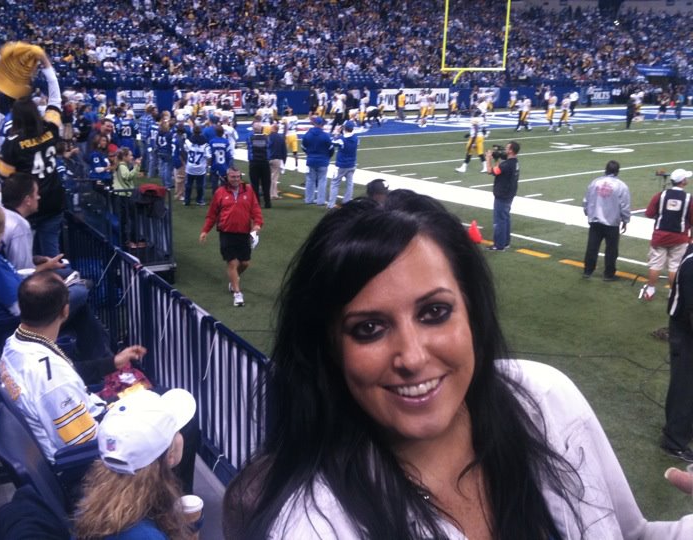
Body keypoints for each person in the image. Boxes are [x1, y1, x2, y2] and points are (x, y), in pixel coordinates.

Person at [223, 191, 693, 538]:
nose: (412, 358)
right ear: (328, 348)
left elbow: (630, 535)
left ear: (472, 312)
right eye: (368, 328)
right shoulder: (315, 526)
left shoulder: (547, 399)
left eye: (435, 312)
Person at [0, 271, 146, 462]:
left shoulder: (14, 343)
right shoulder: (54, 382)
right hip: (90, 458)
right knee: (175, 420)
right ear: (65, 310)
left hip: (85, 424)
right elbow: (85, 445)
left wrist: (113, 362)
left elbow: (65, 373)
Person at [74, 389, 196, 540]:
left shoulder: (90, 505)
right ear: (169, 456)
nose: (180, 435)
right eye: (177, 431)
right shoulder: (147, 536)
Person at [0, 54, 66, 258]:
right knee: (52, 254)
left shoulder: (13, 144)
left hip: (28, 204)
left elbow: (3, 176)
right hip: (54, 200)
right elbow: (55, 99)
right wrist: (47, 67)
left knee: (26, 258)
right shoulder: (50, 128)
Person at [199, 167, 263, 307]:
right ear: (227, 177)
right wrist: (205, 231)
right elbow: (212, 214)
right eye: (233, 177)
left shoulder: (248, 190)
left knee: (245, 263)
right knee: (232, 263)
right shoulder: (220, 192)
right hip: (226, 233)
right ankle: (237, 294)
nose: (235, 179)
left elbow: (256, 209)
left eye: (238, 176)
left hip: (244, 233)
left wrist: (258, 224)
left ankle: (234, 280)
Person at [639, 168, 693, 301]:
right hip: (679, 237)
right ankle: (672, 293)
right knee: (674, 266)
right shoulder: (689, 198)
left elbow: (649, 213)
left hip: (660, 236)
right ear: (683, 181)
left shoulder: (660, 195)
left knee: (655, 264)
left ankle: (650, 290)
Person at [662, 243, 693, 462]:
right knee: (685, 386)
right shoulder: (692, 264)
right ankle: (674, 441)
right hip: (685, 330)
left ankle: (685, 428)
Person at [582, 160, 631, 280]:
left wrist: (588, 212)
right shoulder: (621, 186)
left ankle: (588, 270)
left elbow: (586, 200)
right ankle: (608, 274)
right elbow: (624, 205)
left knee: (592, 247)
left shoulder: (595, 182)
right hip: (612, 222)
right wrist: (625, 220)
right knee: (611, 250)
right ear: (617, 171)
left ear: (606, 170)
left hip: (595, 220)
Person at [485, 141, 520, 251]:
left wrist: (488, 158)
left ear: (511, 150)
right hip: (509, 193)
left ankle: (499, 245)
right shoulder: (515, 162)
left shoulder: (506, 165)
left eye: (507, 148)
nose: (505, 149)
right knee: (505, 218)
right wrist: (497, 159)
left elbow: (490, 171)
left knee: (499, 220)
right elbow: (499, 169)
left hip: (502, 194)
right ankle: (505, 242)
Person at [301, 116, 332, 206]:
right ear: (322, 124)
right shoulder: (325, 136)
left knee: (310, 180)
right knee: (322, 181)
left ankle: (308, 199)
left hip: (311, 160)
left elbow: (303, 147)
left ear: (314, 123)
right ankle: (320, 201)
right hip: (323, 161)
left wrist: (309, 154)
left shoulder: (308, 134)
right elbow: (331, 149)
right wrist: (327, 157)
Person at [327, 121, 358, 209]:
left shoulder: (342, 139)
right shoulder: (356, 138)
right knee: (349, 184)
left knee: (335, 183)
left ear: (344, 128)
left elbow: (332, 142)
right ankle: (347, 202)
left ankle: (331, 204)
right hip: (351, 164)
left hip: (341, 165)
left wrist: (336, 132)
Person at [247, 123, 272, 208]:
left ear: (253, 129)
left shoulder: (250, 138)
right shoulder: (266, 138)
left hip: (254, 162)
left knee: (255, 184)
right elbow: (269, 146)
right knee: (266, 184)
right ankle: (267, 203)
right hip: (264, 162)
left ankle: (256, 203)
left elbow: (249, 145)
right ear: (262, 129)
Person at [267, 123, 286, 201]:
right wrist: (284, 161)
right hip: (277, 159)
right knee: (274, 178)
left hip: (267, 159)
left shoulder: (267, 137)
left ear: (273, 129)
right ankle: (273, 194)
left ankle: (269, 193)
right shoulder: (280, 138)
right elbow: (284, 151)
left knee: (268, 177)